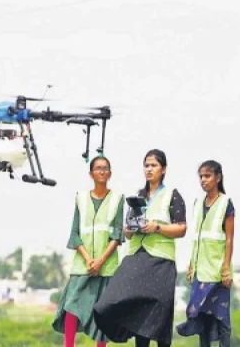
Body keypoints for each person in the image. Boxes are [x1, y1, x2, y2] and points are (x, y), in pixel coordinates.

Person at [93, 148, 187, 347]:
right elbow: (127, 231)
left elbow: (181, 228)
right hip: (136, 258)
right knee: (120, 304)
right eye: (146, 165)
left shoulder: (172, 195)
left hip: (161, 262)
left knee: (159, 315)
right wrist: (129, 229)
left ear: (164, 169)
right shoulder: (137, 195)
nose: (149, 169)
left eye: (154, 165)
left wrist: (157, 227)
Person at [52, 155, 125, 347]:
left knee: (102, 313)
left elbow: (117, 235)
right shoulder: (81, 198)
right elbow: (74, 234)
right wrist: (88, 260)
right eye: (98, 168)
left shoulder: (118, 199)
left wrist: (100, 261)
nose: (102, 171)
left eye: (105, 168)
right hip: (82, 265)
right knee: (71, 306)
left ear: (110, 173)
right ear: (91, 173)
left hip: (106, 267)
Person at [176, 160, 235, 347]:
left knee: (222, 318)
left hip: (218, 272)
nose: (203, 180)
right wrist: (191, 264)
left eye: (207, 176)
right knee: (202, 317)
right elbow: (197, 238)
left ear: (218, 177)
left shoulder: (226, 203)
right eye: (201, 176)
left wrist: (226, 268)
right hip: (200, 272)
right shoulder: (198, 203)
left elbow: (229, 239)